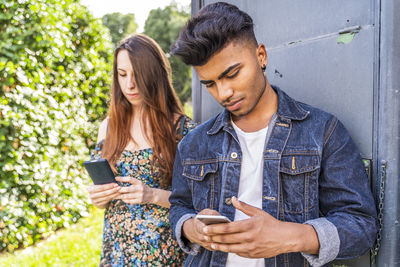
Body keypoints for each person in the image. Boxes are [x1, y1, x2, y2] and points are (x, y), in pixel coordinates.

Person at [168, 2, 377, 267]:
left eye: (232, 74)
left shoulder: (322, 131)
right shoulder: (193, 144)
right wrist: (191, 228)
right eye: (210, 84)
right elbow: (179, 207)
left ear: (261, 56)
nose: (223, 93)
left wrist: (294, 236)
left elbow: (362, 225)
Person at [88, 33, 196, 266]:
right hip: (117, 250)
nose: (130, 85)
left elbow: (196, 199)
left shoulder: (182, 128)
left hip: (163, 252)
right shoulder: (108, 127)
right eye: (122, 74)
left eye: (138, 74)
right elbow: (102, 199)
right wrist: (98, 197)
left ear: (155, 73)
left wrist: (151, 195)